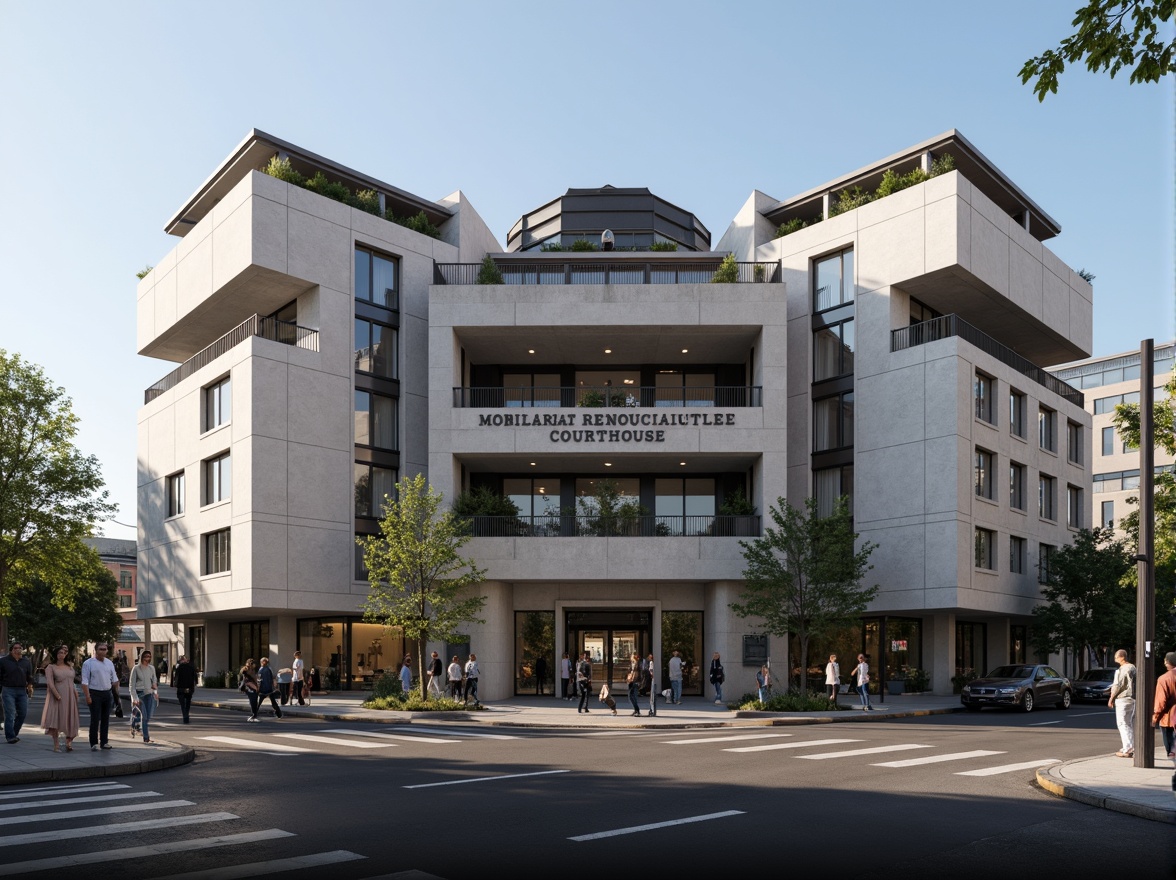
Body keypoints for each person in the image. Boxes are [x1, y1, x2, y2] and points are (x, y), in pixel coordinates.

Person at [81, 642, 120, 750]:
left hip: (107, 693)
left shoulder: (109, 663)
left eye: (105, 649)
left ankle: (104, 741)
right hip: (94, 693)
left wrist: (117, 697)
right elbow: (85, 681)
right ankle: (93, 743)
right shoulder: (88, 663)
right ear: (96, 650)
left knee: (105, 718)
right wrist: (87, 696)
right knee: (95, 719)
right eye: (101, 649)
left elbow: (115, 680)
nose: (103, 651)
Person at [41, 645, 79, 751]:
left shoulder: (69, 666)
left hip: (70, 695)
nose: (61, 655)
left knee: (70, 718)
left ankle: (69, 742)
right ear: (55, 655)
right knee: (57, 719)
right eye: (59, 653)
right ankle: (56, 744)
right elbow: (50, 683)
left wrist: (75, 693)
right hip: (58, 695)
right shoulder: (51, 667)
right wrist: (57, 695)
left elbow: (72, 681)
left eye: (63, 653)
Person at [0, 641, 34, 744]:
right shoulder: (4, 661)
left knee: (22, 713)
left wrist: (30, 687)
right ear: (11, 650)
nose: (18, 650)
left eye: (20, 648)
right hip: (8, 689)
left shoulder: (26, 662)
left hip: (21, 690)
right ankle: (10, 737)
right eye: (15, 648)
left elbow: (30, 676)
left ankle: (13, 733)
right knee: (10, 713)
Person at [1107, 648, 1136, 757]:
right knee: (1129, 723)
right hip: (1132, 698)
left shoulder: (1121, 670)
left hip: (1123, 698)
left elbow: (1117, 685)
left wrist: (1111, 698)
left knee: (1122, 723)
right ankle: (1130, 746)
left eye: (1116, 657)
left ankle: (1127, 748)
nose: (1115, 659)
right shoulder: (1133, 668)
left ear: (1122, 657)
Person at [129, 649, 160, 743]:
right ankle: (146, 738)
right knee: (145, 717)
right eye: (146, 656)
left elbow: (154, 681)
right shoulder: (136, 668)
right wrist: (134, 698)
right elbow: (131, 685)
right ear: (141, 657)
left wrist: (155, 692)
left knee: (148, 716)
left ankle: (133, 723)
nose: (148, 658)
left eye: (149, 656)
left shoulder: (151, 668)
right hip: (140, 694)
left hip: (149, 694)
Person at [1151, 651, 1176, 766]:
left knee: (1170, 745)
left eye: (1166, 660)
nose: (1165, 662)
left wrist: (1155, 718)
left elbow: (1161, 702)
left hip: (1169, 718)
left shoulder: (1164, 679)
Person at [173, 654, 197, 723]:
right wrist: (194, 685)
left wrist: (175, 684)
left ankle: (185, 715)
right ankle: (186, 714)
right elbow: (195, 678)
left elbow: (176, 677)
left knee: (182, 703)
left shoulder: (179, 668)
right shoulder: (191, 667)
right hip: (189, 687)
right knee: (188, 702)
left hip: (181, 687)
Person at [626, 652, 642, 716]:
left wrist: (633, 679)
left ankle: (637, 710)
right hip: (631, 681)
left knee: (632, 696)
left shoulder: (637, 664)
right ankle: (636, 710)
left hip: (635, 681)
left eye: (632, 656)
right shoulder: (632, 664)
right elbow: (630, 672)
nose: (631, 658)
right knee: (631, 696)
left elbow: (637, 673)